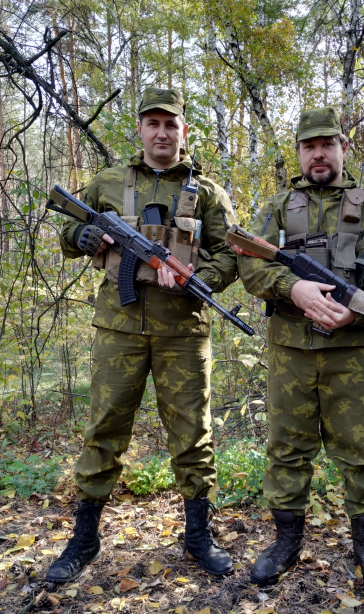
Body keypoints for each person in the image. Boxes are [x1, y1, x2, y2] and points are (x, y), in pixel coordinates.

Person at [47, 87, 238, 583]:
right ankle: (84, 539)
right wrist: (84, 236)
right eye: (153, 123)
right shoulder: (108, 182)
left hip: (184, 331)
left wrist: (201, 280)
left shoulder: (210, 193)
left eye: (170, 124)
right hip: (119, 328)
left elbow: (232, 255)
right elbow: (68, 232)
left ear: (183, 131)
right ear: (140, 129)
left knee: (193, 435)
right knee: (105, 429)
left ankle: (198, 535)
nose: (161, 132)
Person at [237, 106, 364, 593]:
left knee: (361, 448)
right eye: (308, 145)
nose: (318, 153)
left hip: (355, 350)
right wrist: (290, 288)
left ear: (342, 147)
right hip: (291, 349)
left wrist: (359, 309)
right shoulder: (276, 208)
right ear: (298, 153)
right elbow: (250, 267)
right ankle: (286, 542)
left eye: (327, 144)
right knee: (287, 448)